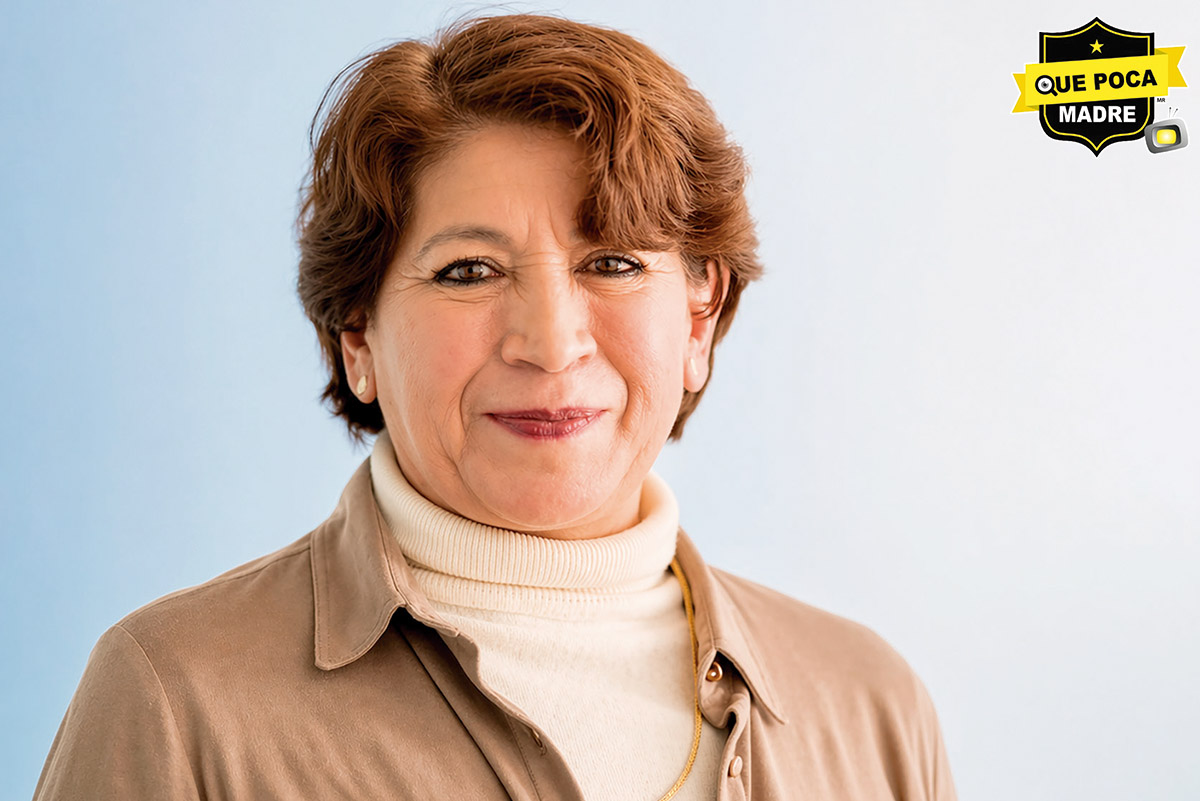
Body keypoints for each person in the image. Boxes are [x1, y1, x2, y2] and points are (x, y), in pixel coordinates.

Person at [34, 14, 956, 801]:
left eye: (614, 261)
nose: (550, 343)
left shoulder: (872, 708)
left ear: (698, 317)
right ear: (357, 334)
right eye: (468, 271)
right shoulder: (175, 701)